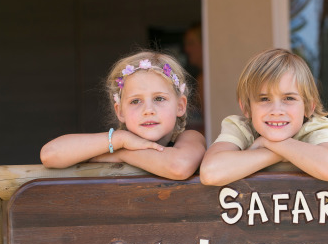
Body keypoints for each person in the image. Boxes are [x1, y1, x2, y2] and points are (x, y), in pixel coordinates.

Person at [41, 50, 206, 180]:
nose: (148, 110)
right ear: (120, 111)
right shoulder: (113, 142)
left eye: (159, 98)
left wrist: (118, 153)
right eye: (135, 101)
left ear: (180, 106)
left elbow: (179, 166)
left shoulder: (191, 138)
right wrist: (120, 140)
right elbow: (50, 154)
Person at [200, 48, 328, 186]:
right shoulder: (241, 128)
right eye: (264, 99)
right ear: (246, 107)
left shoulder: (318, 127)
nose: (276, 111)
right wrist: (277, 154)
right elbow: (210, 172)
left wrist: (268, 143)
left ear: (308, 107)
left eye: (289, 98)